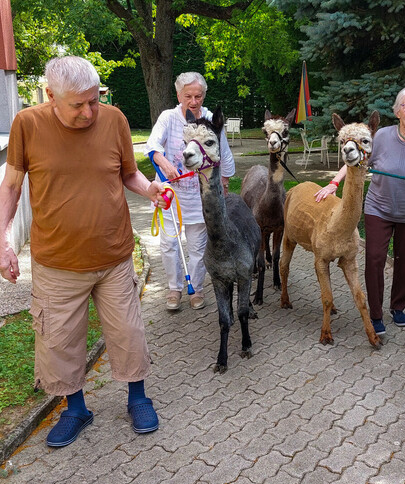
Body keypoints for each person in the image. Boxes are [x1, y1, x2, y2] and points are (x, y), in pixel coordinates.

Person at [0, 56, 166, 447]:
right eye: (78, 104)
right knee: (59, 340)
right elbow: (11, 186)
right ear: (51, 96)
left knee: (128, 333)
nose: (89, 111)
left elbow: (128, 173)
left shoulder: (115, 120)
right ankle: (75, 408)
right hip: (56, 262)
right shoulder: (27, 124)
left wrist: (150, 190)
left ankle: (138, 397)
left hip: (113, 256)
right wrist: (2, 237)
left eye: (94, 100)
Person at [315, 87, 405, 333]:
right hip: (378, 208)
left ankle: (398, 306)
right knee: (374, 260)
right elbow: (356, 160)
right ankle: (375, 313)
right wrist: (334, 182)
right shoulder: (381, 136)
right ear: (397, 111)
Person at [145, 72, 235, 311]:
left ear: (204, 95)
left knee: (197, 246)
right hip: (170, 195)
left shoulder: (209, 118)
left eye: (198, 96)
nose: (193, 101)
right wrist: (164, 164)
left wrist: (224, 183)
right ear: (178, 95)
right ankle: (174, 289)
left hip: (199, 197)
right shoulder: (169, 118)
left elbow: (223, 152)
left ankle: (196, 288)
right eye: (188, 96)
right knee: (169, 245)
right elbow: (152, 146)